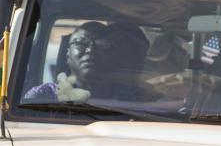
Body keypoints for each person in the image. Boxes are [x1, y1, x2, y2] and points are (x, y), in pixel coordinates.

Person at [22, 21, 151, 103]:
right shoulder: (43, 96)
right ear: (67, 54)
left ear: (113, 57)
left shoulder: (131, 98)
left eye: (102, 45)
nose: (91, 50)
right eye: (80, 43)